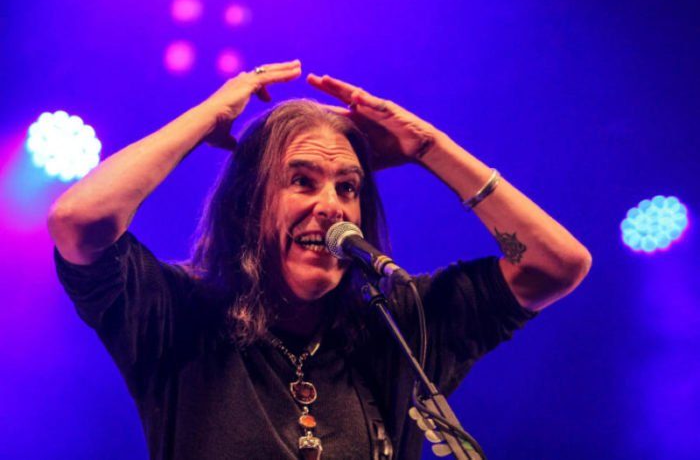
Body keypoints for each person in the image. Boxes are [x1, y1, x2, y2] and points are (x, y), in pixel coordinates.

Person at [49, 59, 591, 460]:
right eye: (302, 181)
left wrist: (429, 147)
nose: (331, 205)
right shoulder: (177, 315)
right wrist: (206, 117)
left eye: (348, 187)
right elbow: (78, 220)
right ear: (247, 206)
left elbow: (557, 264)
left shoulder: (401, 326)